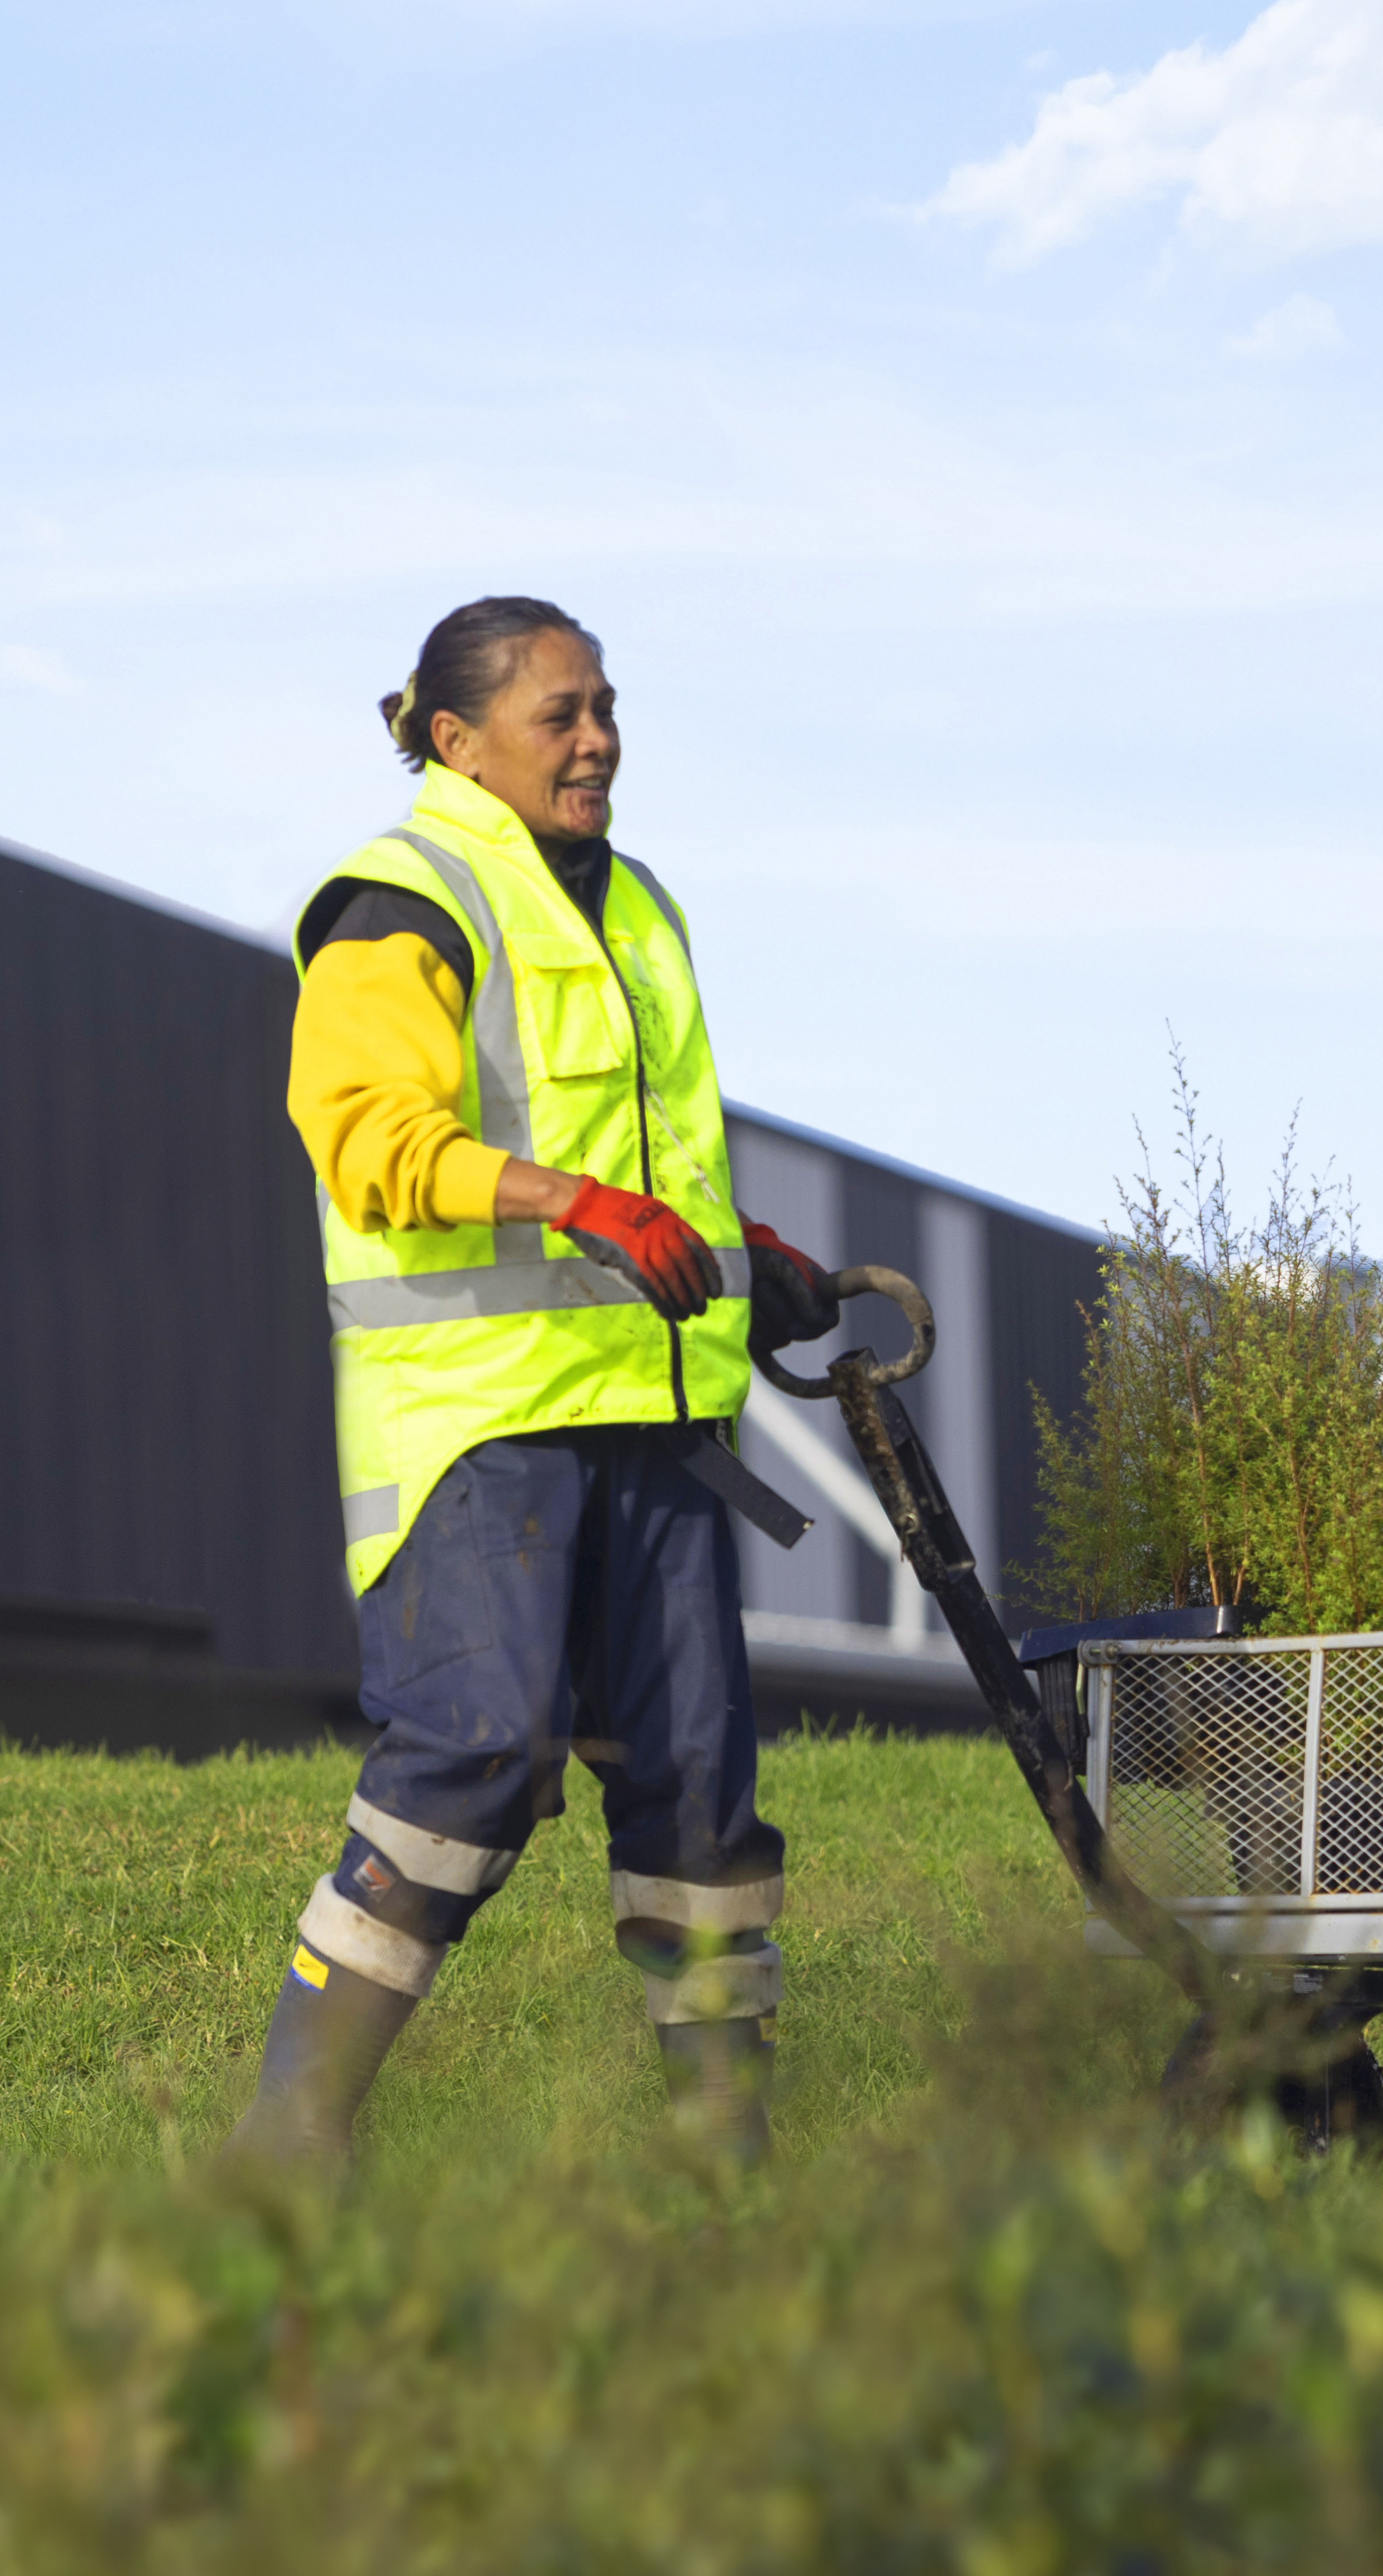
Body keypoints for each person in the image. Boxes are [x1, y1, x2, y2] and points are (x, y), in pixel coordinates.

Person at [224, 593, 840, 2175]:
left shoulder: (637, 906)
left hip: (653, 1416)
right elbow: (364, 1136)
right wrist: (573, 1205)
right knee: (477, 1752)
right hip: (481, 1426)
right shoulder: (401, 898)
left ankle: (729, 2157)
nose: (598, 740)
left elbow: (648, 1153)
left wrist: (732, 1240)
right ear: (456, 739)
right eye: (559, 714)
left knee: (700, 1796)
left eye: (607, 707)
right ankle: (293, 2131)